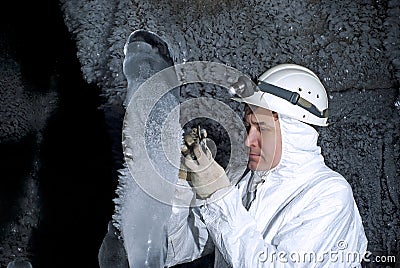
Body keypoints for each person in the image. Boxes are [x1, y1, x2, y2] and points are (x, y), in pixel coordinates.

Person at [165, 63, 368, 267]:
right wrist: (183, 185)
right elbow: (181, 250)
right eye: (248, 127)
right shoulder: (250, 185)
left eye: (261, 128)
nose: (248, 141)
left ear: (294, 133)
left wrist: (218, 195)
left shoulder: (329, 194)